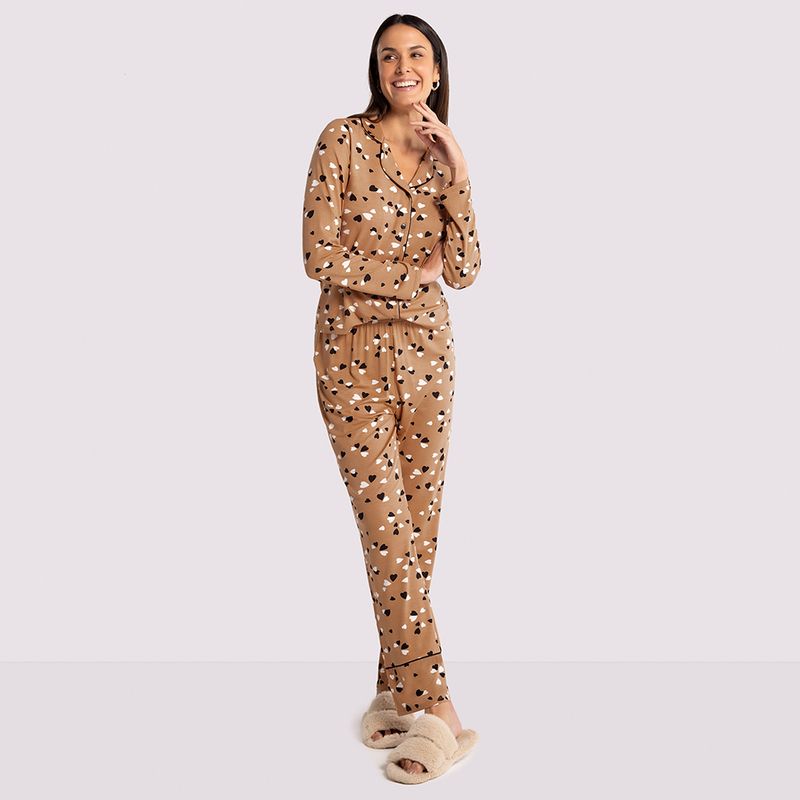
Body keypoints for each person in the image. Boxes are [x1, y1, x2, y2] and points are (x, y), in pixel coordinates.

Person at [301, 14, 481, 782]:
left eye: (416, 54)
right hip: (351, 362)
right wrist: (409, 277)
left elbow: (464, 270)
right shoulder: (341, 140)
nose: (402, 66)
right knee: (387, 532)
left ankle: (393, 688)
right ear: (376, 70)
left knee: (415, 534)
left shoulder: (443, 159)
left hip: (428, 363)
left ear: (436, 70)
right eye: (388, 55)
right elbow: (320, 255)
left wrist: (460, 171)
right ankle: (438, 707)